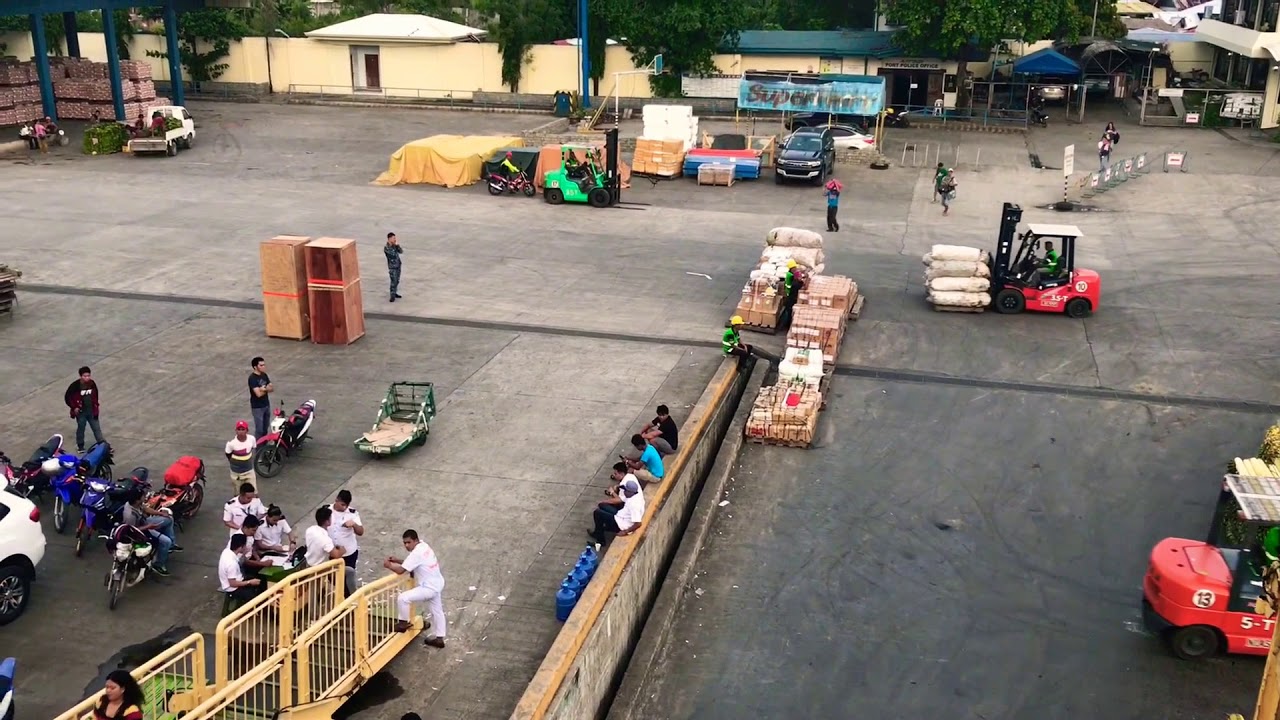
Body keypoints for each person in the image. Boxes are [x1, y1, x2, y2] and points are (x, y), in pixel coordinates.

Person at [385, 529, 447, 648]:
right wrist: (397, 560)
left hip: (428, 588)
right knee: (437, 611)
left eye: (408, 542)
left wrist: (389, 565)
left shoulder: (416, 553)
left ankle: (403, 623)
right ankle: (440, 638)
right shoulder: (424, 546)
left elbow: (401, 571)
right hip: (438, 583)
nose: (406, 545)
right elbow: (412, 563)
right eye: (405, 543)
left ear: (415, 540)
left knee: (403, 598)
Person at [122, 492, 179, 576]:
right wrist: (149, 527)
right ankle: (158, 565)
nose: (144, 497)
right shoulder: (130, 515)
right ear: (137, 500)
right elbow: (131, 530)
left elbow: (146, 509)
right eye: (143, 496)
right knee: (166, 541)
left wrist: (161, 514)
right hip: (140, 531)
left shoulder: (135, 504)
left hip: (144, 522)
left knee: (169, 519)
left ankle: (171, 545)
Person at [305, 506, 357, 594]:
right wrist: (342, 550)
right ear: (327, 522)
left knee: (315, 589)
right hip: (320, 567)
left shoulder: (310, 530)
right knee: (350, 571)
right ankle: (354, 597)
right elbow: (336, 555)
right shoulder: (325, 539)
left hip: (308, 562)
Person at [590, 475, 644, 544]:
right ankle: (601, 529)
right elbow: (619, 499)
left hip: (621, 524)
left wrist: (625, 531)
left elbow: (638, 523)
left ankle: (600, 539)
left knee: (597, 513)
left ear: (630, 492)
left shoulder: (634, 505)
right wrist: (603, 501)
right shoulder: (632, 495)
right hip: (621, 515)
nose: (624, 491)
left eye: (625, 490)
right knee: (603, 506)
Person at [64, 366, 105, 452]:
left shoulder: (92, 384)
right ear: (80, 376)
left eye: (88, 376)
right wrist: (74, 407)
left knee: (96, 428)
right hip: (81, 412)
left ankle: (102, 444)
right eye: (85, 376)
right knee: (81, 428)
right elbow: (67, 397)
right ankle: (80, 446)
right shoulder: (75, 386)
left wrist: (96, 404)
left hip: (92, 411)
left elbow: (95, 394)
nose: (87, 378)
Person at [219, 533, 265, 603]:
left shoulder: (227, 551)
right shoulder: (232, 564)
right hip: (234, 588)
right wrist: (250, 582)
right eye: (245, 545)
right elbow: (233, 583)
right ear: (241, 547)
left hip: (238, 579)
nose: (246, 547)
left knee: (261, 580)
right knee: (257, 598)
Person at [327, 490, 364, 570]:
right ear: (336, 500)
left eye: (347, 505)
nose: (345, 508)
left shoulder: (352, 513)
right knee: (333, 578)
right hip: (333, 552)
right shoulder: (327, 510)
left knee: (348, 578)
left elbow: (361, 532)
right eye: (342, 504)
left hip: (349, 553)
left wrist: (354, 525)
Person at [225, 420, 256, 493]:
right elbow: (228, 454)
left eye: (243, 429)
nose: (241, 432)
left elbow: (252, 448)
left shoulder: (251, 439)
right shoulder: (231, 443)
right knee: (238, 494)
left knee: (253, 492)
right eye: (239, 429)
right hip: (236, 474)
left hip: (249, 471)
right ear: (236, 431)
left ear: (247, 430)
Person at [248, 357, 274, 439]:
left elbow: (271, 388)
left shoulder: (264, 375)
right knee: (259, 429)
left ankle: (264, 445)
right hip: (257, 407)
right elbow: (258, 394)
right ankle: (258, 447)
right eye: (261, 365)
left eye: (264, 365)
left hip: (266, 404)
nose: (263, 367)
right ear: (255, 367)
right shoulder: (252, 378)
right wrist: (265, 389)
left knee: (265, 428)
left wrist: (264, 389)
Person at [384, 232, 403, 302]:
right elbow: (393, 255)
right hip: (393, 267)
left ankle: (395, 293)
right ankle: (392, 295)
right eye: (393, 238)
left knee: (397, 280)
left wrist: (397, 246)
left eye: (395, 238)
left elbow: (401, 251)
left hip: (398, 265)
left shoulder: (395, 245)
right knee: (393, 281)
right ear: (389, 239)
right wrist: (395, 246)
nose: (395, 239)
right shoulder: (387, 247)